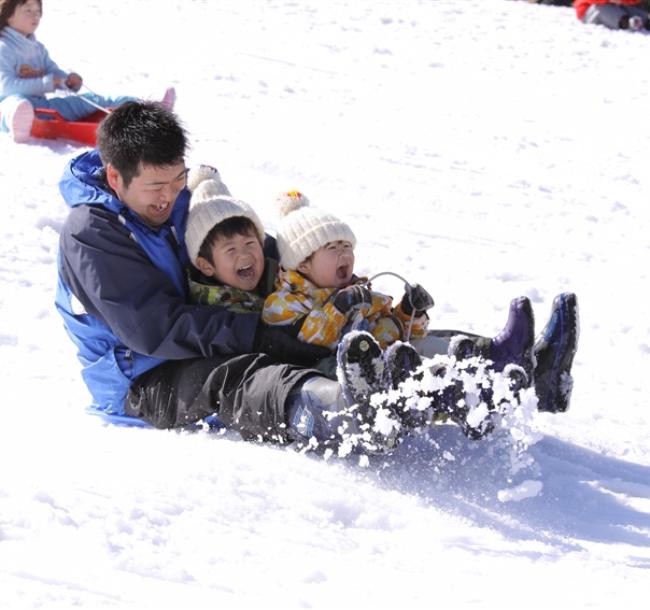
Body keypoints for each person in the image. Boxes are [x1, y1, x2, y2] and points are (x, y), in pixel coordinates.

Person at [55, 101, 578, 458]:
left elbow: (248, 247)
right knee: (240, 376)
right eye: (154, 187)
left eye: (176, 180)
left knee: (349, 328)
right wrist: (259, 332)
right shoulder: (90, 232)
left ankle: (508, 365)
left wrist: (313, 282)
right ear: (114, 175)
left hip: (219, 329)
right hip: (144, 380)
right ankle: (342, 413)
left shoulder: (183, 202)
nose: (168, 197)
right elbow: (151, 328)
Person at [0, 0, 174, 143]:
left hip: (42, 107)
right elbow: (5, 87)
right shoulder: (3, 48)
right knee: (13, 103)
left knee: (91, 101)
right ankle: (17, 122)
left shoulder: (38, 48)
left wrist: (67, 80)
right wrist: (47, 82)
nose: (35, 15)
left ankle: (148, 107)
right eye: (28, 10)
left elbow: (52, 71)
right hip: (10, 105)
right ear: (8, 15)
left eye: (38, 11)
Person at [573, 0, 650, 30]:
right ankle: (627, 22)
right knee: (602, 8)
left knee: (625, 7)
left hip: (612, 8)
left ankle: (646, 20)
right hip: (588, 12)